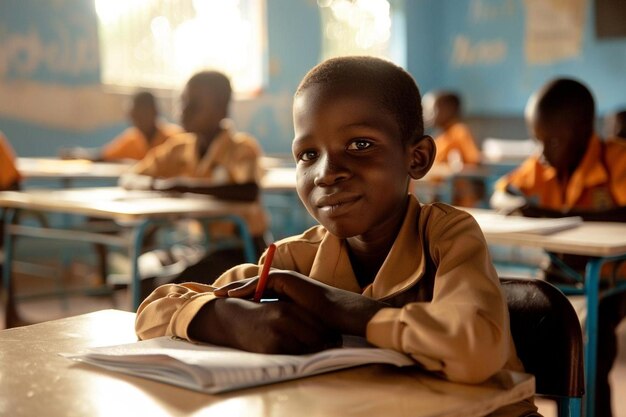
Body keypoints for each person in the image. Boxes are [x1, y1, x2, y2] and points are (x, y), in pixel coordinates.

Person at [135, 57, 538, 416]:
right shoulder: (295, 259)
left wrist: (338, 306)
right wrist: (222, 319)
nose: (326, 173)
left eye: (360, 144)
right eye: (308, 154)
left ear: (417, 158)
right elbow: (153, 312)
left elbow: (475, 350)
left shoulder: (447, 237)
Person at [491, 78, 626, 417]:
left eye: (551, 140)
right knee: (527, 329)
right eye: (537, 141)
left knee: (592, 349)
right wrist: (514, 200)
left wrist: (554, 214)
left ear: (582, 131)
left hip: (614, 278)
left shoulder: (616, 159)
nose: (543, 152)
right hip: (560, 273)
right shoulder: (544, 164)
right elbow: (502, 191)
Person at [120, 70, 269, 285]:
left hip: (241, 250)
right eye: (183, 102)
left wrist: (185, 187)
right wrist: (158, 185)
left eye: (195, 105)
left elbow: (248, 191)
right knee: (144, 273)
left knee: (171, 286)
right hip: (198, 246)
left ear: (221, 109)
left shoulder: (241, 148)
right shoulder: (179, 148)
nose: (184, 111)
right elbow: (132, 177)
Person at [60, 91, 182, 162]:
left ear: (155, 112)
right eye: (134, 117)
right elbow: (104, 156)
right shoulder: (133, 139)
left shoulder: (176, 139)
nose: (137, 121)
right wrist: (78, 154)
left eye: (142, 114)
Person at [421, 91, 483, 207]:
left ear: (447, 110)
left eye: (431, 110)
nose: (426, 115)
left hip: (456, 199)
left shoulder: (459, 132)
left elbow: (474, 161)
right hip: (437, 195)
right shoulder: (441, 136)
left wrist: (450, 168)